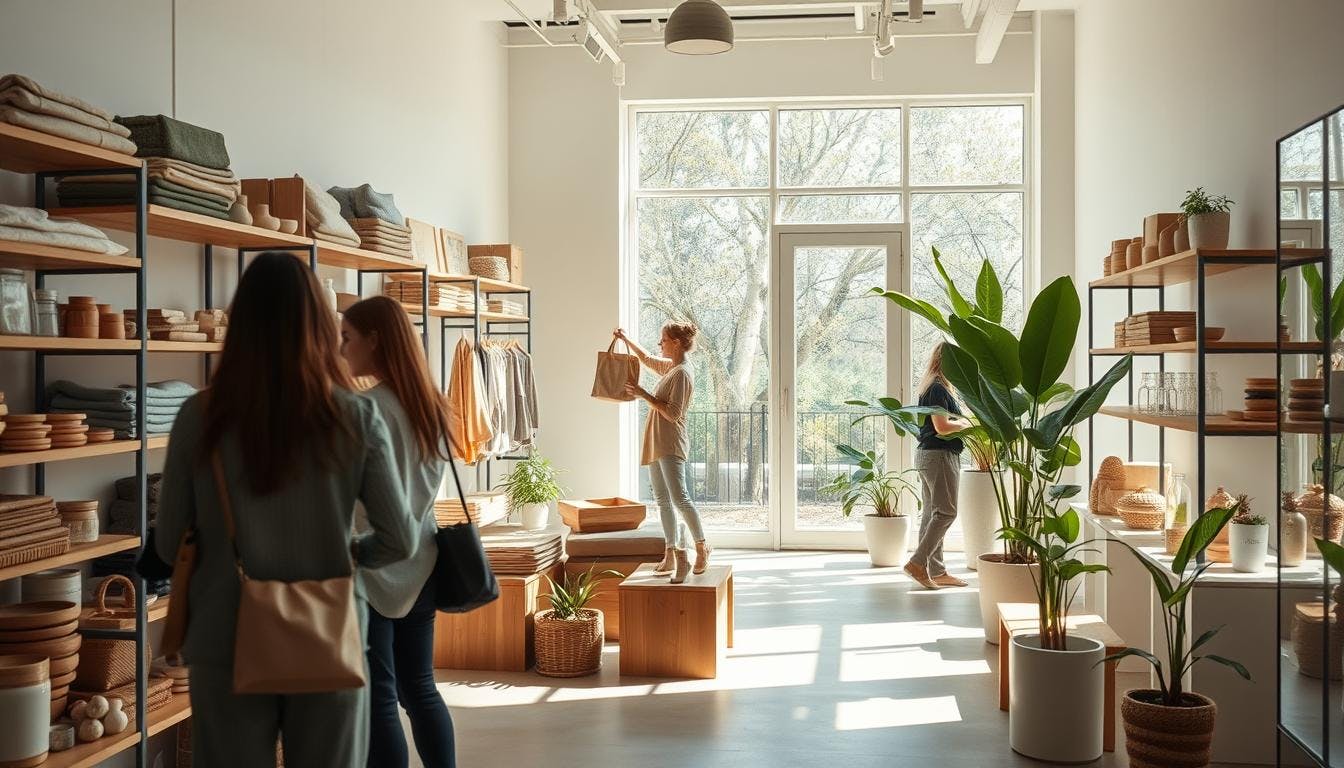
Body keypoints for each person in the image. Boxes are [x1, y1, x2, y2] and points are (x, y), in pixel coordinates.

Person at [156, 252, 415, 768]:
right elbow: (400, 539)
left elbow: (167, 544)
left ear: (242, 324)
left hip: (224, 636)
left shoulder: (198, 415)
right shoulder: (357, 415)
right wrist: (347, 552)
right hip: (329, 631)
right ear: (321, 326)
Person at [341, 296, 457, 768]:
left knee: (380, 701)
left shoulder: (364, 410)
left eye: (347, 338)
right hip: (423, 562)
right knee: (421, 689)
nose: (341, 348)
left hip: (371, 565)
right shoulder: (434, 408)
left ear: (374, 340)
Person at [614, 323, 709, 583]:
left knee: (680, 498)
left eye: (664, 340)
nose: (660, 344)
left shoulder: (682, 373)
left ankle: (701, 547)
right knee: (662, 500)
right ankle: (669, 552)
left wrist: (644, 394)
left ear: (677, 343)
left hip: (670, 442)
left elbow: (673, 413)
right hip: (656, 441)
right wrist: (625, 338)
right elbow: (645, 359)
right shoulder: (671, 368)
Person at [904, 342, 972, 591]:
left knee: (934, 512)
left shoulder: (933, 385)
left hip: (928, 455)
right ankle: (917, 563)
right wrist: (967, 425)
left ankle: (936, 570)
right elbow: (942, 427)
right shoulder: (938, 388)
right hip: (939, 455)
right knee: (946, 513)